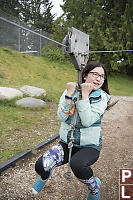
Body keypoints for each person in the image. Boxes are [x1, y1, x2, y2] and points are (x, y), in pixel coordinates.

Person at [32, 61, 110, 200]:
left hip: (90, 146)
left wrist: (85, 96)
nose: (99, 79)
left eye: (102, 76)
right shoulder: (71, 90)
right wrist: (69, 94)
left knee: (77, 164)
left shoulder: (102, 97)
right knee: (40, 166)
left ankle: (94, 188)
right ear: (85, 75)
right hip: (68, 142)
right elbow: (61, 116)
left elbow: (87, 121)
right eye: (95, 74)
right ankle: (45, 175)